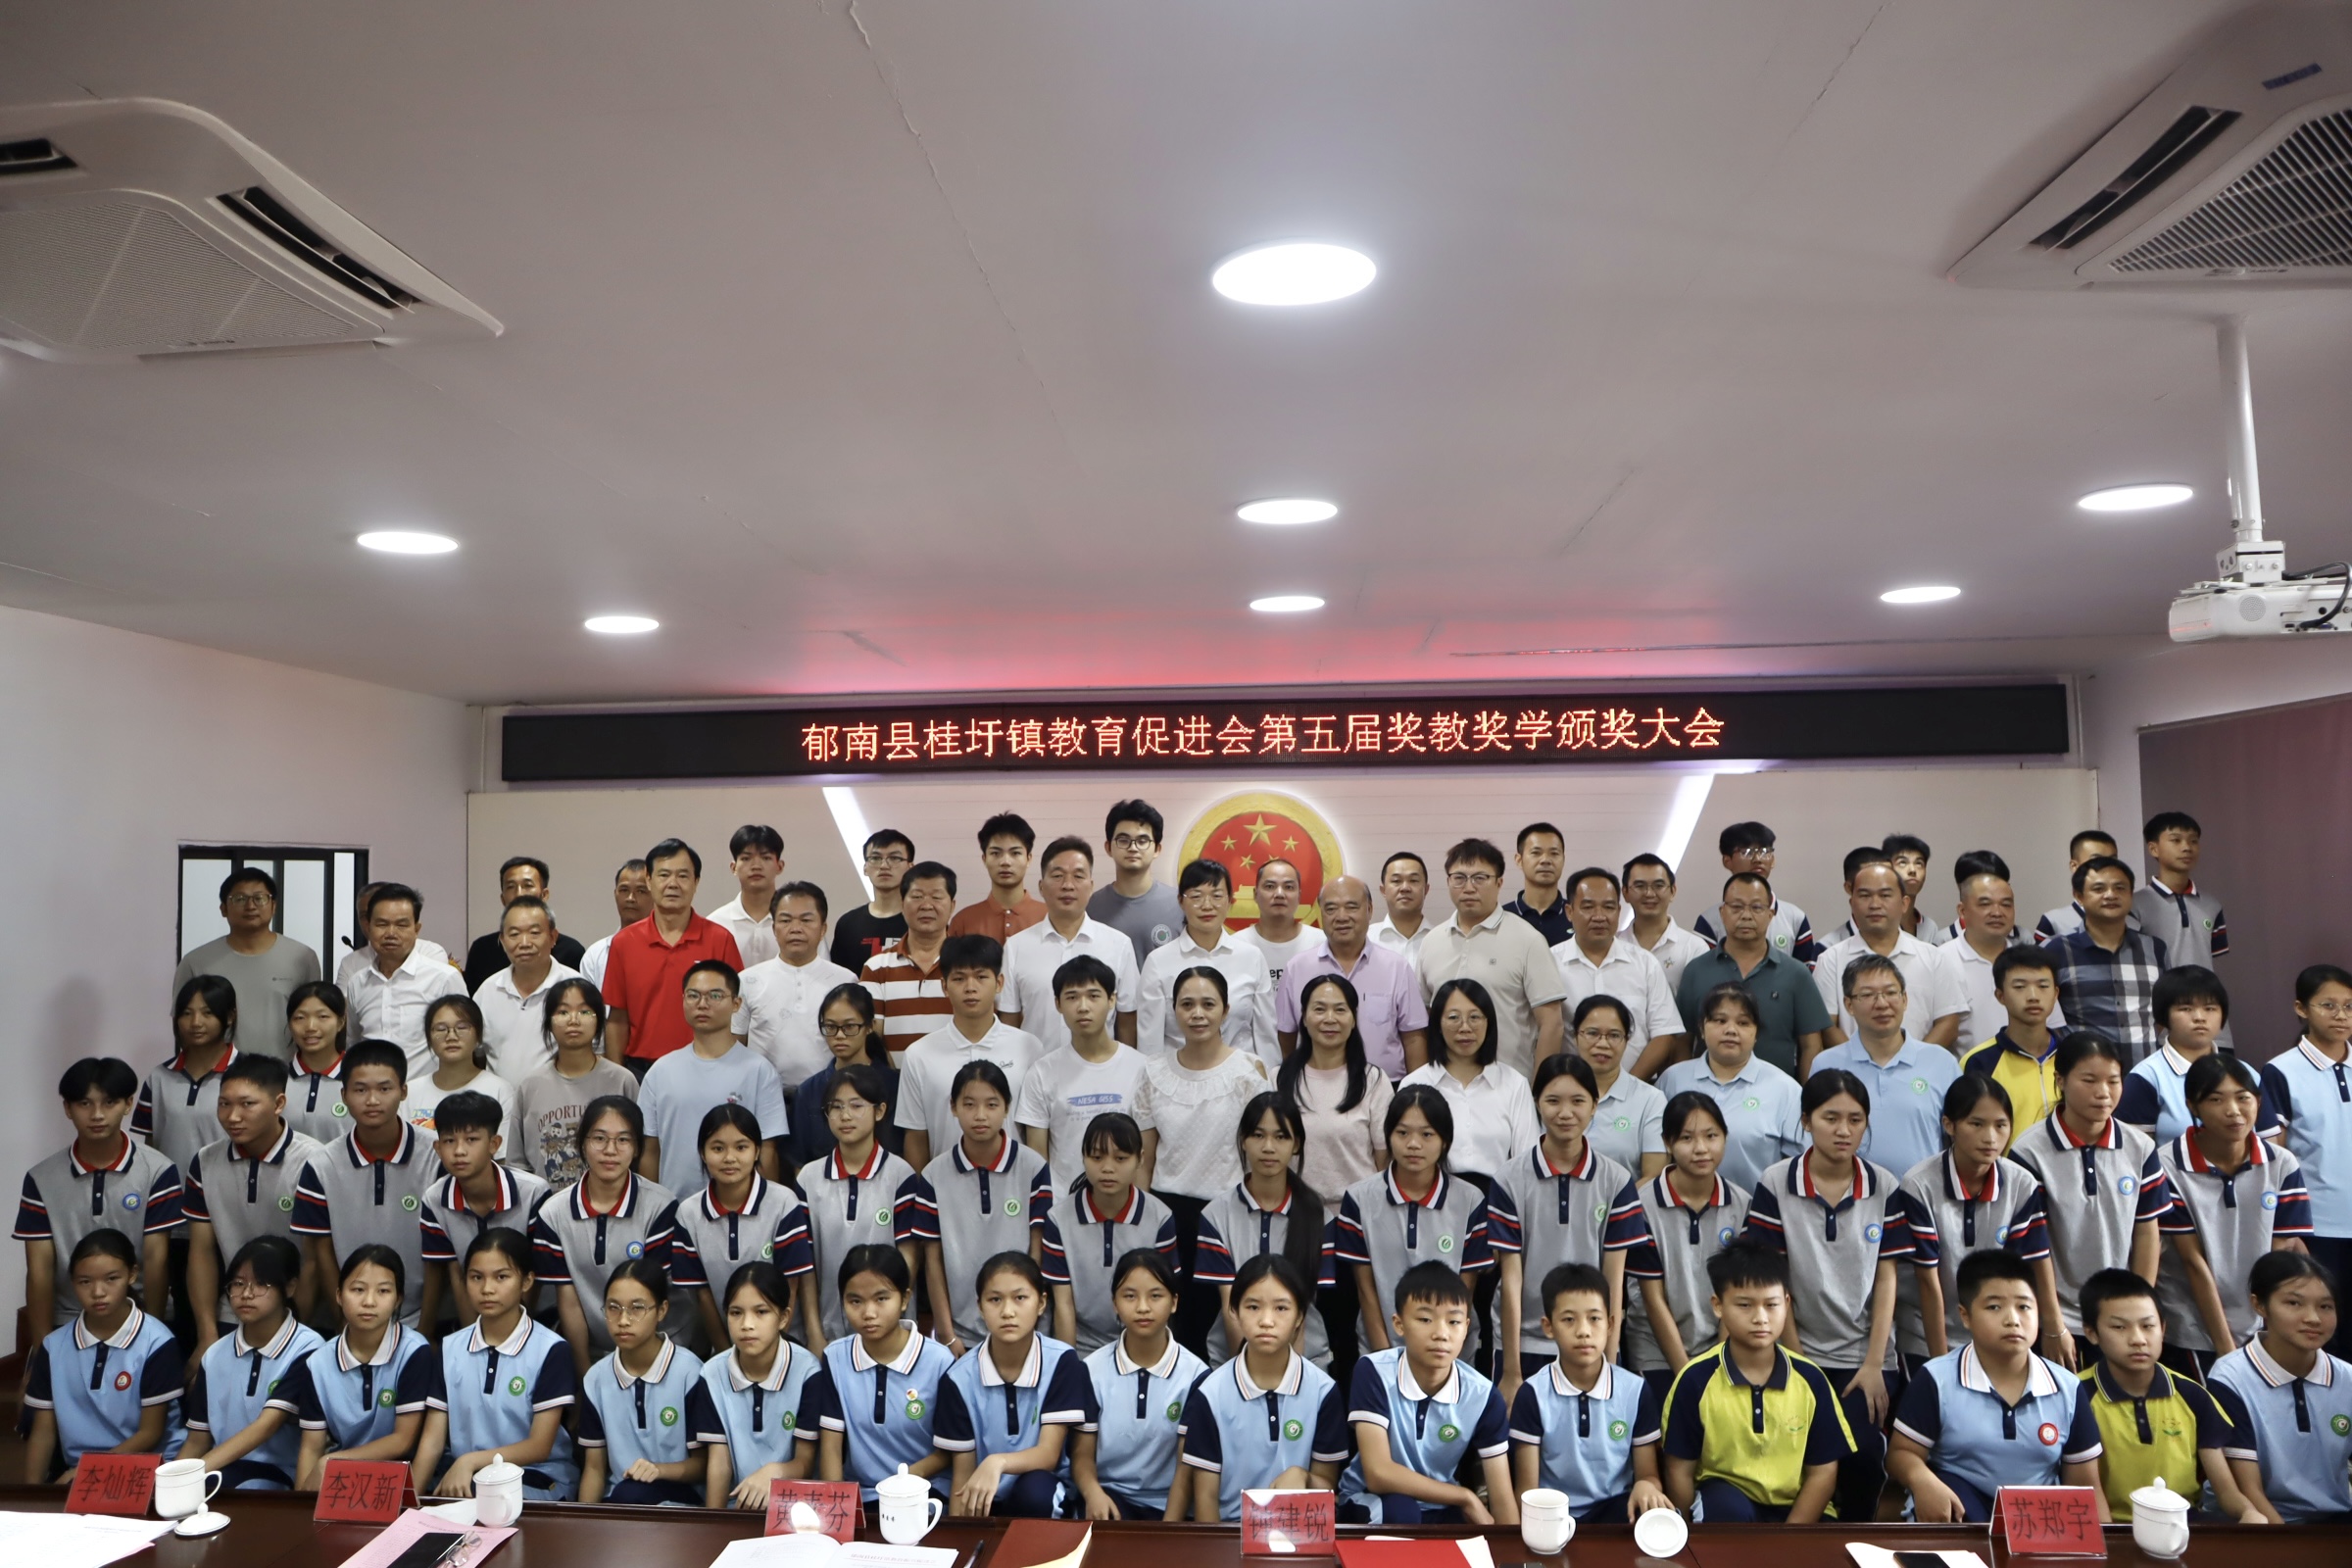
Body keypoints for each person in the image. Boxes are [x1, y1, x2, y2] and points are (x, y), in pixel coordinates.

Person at [1744, 1070, 1911, 1523]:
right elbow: (1773, 1282)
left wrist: (1875, 1363)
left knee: (1861, 1455)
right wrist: (1797, 1362)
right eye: (1830, 1118)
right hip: (1796, 1351)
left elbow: (1887, 1279)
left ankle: (1852, 1538)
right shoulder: (1776, 1182)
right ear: (1805, 1121)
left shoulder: (1885, 1185)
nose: (1843, 1130)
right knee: (1794, 1454)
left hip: (1864, 1359)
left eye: (1855, 1119)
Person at [1886, 1250, 2104, 1521]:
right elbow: (1900, 1454)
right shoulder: (1936, 1378)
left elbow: (2085, 1487)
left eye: (2024, 1307)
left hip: (2037, 1520)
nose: (2012, 1319)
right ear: (1965, 1316)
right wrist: (1922, 1481)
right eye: (1994, 1307)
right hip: (1958, 1512)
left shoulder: (2068, 1388)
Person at [2007, 1032, 2172, 1366]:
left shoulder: (2139, 1147)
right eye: (2089, 1080)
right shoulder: (2029, 1152)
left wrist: (2138, 1309)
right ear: (2060, 1081)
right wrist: (2053, 1324)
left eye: (2113, 1081)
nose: (2103, 1092)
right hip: (2059, 1317)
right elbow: (2034, 1248)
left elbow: (2146, 1232)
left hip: (2120, 1315)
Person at [1658, 1243, 1853, 1522]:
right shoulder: (1695, 1380)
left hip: (1798, 1513)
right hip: (1726, 1509)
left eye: (1771, 1305)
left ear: (1786, 1304)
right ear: (1718, 1306)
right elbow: (1679, 1470)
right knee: (1723, 1507)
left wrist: (1789, 1539)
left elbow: (1823, 1473)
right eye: (1745, 1305)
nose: (1760, 1318)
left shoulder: (1811, 1380)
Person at [1136, 967, 1274, 1350]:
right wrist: (1145, 1221)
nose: (1197, 1014)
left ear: (1225, 1010)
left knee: (1236, 1323)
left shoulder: (1248, 1070)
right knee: (1177, 1327)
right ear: (1174, 1010)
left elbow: (1262, 1153)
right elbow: (1145, 1160)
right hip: (1167, 1213)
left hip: (1230, 1213)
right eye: (1187, 1004)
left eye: (1208, 1004)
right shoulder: (1153, 1071)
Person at [1494, 1054, 1647, 1385]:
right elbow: (1511, 1278)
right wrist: (1511, 1371)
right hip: (1526, 1342)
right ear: (1537, 1103)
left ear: (1595, 1105)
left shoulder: (1616, 1181)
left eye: (1578, 1101)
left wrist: (1609, 1362)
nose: (1565, 1113)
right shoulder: (1509, 1179)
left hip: (1592, 1343)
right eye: (1553, 1101)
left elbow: (1614, 1279)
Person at [2156, 1054, 2312, 1374]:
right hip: (2191, 1326)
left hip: (2261, 1324)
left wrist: (2271, 1332)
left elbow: (2279, 1255)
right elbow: (2192, 1262)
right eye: (2216, 1099)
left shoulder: (2281, 1164)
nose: (2233, 1110)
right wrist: (2226, 1349)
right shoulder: (2166, 1166)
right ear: (2193, 1106)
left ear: (2258, 1102)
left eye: (2243, 1098)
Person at [2076, 1267, 2264, 1524]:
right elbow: (2087, 1488)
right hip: (2113, 1529)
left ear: (2163, 1328)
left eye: (2148, 1326)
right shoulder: (2077, 1396)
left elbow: (2226, 1491)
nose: (2138, 1339)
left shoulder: (2192, 1395)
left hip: (2183, 1526)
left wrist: (2248, 1512)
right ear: (2091, 1333)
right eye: (2119, 1327)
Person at [1894, 1075, 2056, 1367]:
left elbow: (2027, 1268)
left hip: (1995, 1334)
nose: (1990, 1137)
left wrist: (2052, 1329)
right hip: (1925, 1337)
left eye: (2000, 1125)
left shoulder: (2021, 1184)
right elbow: (1927, 1281)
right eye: (1977, 1124)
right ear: (1949, 1125)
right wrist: (1941, 1367)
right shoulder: (1919, 1185)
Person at [1337, 1262, 1513, 1525]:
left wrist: (1510, 1548)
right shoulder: (1374, 1372)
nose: (1441, 1334)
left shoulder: (1484, 1395)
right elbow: (1377, 1473)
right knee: (1402, 1511)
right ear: (1399, 1324)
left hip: (1441, 1506)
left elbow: (1502, 1498)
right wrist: (1466, 1496)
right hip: (1372, 1499)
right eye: (1425, 1319)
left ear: (1466, 1327)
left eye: (1453, 1322)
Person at [1175, 1253, 1348, 1519]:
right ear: (1234, 1311)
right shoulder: (1210, 1394)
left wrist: (1303, 1476)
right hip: (1230, 1533)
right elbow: (1206, 1499)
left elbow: (1326, 1489)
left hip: (1298, 1530)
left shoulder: (1323, 1392)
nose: (1266, 1321)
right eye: (1253, 1307)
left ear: (1300, 1316)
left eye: (1281, 1308)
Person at [898, 1060, 1054, 1355]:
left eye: (992, 1104)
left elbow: (1037, 1252)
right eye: (969, 1104)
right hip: (961, 1336)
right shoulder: (933, 1175)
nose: (980, 1115)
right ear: (953, 1107)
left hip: (1024, 1329)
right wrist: (947, 1334)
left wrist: (1030, 1322)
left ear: (1007, 1107)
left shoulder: (1033, 1167)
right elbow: (933, 1261)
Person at [18, 1057, 179, 1335]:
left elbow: (156, 1261)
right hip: (68, 1319)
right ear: (67, 1108)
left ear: (128, 1104)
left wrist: (150, 1335)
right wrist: (42, 1346)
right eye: (84, 1103)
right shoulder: (41, 1179)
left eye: (109, 1102)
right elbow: (39, 1269)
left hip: (137, 1314)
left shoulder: (158, 1171)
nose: (97, 1115)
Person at [415, 1227, 579, 1500]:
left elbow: (539, 1446)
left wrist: (469, 1461)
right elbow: (432, 1441)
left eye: (501, 1277)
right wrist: (408, 1503)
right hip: (465, 1475)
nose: (487, 1289)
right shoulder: (450, 1347)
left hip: (536, 1474)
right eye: (476, 1277)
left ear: (527, 1281)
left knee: (482, 1497)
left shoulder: (550, 1349)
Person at [1337, 1087, 1498, 1356]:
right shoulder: (1358, 1199)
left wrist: (1445, 1356)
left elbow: (1465, 1291)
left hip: (1450, 1352)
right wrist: (1385, 1359)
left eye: (1427, 1134)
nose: (1413, 1144)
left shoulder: (1470, 1200)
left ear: (1445, 1140)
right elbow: (1366, 1291)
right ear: (1388, 1136)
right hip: (1381, 1349)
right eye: (1402, 1133)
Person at [1509, 1261, 1674, 1523]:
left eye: (1594, 1318)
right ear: (1548, 1326)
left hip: (1617, 1511)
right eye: (1569, 1320)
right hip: (1553, 1515)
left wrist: (1646, 1485)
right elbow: (1527, 1491)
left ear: (1610, 1324)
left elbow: (1648, 1475)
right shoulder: (1533, 1394)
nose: (1583, 1331)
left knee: (1656, 1516)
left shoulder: (1635, 1390)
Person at [934, 1250, 1093, 1517]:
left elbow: (1048, 1454)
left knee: (1035, 1492)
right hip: (985, 1496)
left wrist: (998, 1462)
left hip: (1043, 1492)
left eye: (1020, 1298)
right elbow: (963, 1473)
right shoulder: (958, 1378)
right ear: (980, 1307)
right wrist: (962, 1532)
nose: (1007, 1312)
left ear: (1041, 1303)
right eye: (995, 1299)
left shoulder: (1061, 1362)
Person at [183, 1055, 327, 1349]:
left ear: (278, 1103)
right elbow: (201, 1252)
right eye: (224, 1104)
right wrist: (206, 1334)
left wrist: (292, 1335)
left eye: (247, 1104)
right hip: (232, 1313)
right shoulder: (205, 1161)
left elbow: (313, 1262)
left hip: (299, 1317)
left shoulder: (314, 1161)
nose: (233, 1117)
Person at [290, 1041, 436, 1328]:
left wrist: (427, 1328)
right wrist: (343, 1321)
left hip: (426, 1317)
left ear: (403, 1091)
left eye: (384, 1089)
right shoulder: (321, 1165)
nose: (372, 1100)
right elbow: (322, 1252)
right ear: (343, 1095)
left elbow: (443, 1254)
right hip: (352, 1318)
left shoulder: (437, 1155)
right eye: (360, 1090)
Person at [21, 1230, 186, 1481]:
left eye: (111, 1279)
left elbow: (150, 1433)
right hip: (80, 1472)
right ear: (72, 1282)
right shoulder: (53, 1346)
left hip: (148, 1468)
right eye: (85, 1282)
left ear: (132, 1274)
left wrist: (85, 1473)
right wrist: (32, 1496)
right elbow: (43, 1432)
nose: (98, 1292)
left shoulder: (157, 1341)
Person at [531, 1096, 682, 1370]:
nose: (610, 1150)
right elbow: (569, 1302)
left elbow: (651, 1296)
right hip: (588, 1350)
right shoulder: (553, 1213)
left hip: (659, 1350)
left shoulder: (661, 1206)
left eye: (623, 1140)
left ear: (637, 1148)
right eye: (599, 1138)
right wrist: (584, 1373)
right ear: (582, 1144)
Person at [794, 1247, 951, 1502]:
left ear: (905, 1299)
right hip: (862, 1495)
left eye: (881, 1299)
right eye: (855, 1301)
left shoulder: (939, 1361)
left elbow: (949, 1450)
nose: (868, 1313)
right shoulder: (835, 1357)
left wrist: (902, 1483)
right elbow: (831, 1447)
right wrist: (837, 1504)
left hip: (924, 1491)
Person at [1625, 1094, 1751, 1398]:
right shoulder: (1642, 1205)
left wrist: (1720, 1364)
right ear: (1667, 1143)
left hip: (1723, 1348)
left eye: (1711, 1136)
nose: (1701, 1148)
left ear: (1725, 1137)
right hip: (1654, 1349)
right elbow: (1652, 1298)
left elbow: (1737, 1292)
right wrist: (1687, 1376)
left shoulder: (1742, 1204)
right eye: (1686, 1138)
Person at [2209, 1251, 2352, 1522]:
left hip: (2333, 1524)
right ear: (2259, 1305)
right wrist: (2289, 1544)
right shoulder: (2230, 1378)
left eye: (2325, 1306)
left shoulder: (2347, 1380)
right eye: (2294, 1303)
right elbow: (2248, 1490)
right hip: (2255, 1523)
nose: (2313, 1318)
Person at [2258, 963, 2352, 1356]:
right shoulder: (2281, 1071)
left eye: (2349, 1006)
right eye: (2328, 1005)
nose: (2341, 1015)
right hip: (2318, 1227)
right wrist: (2285, 1225)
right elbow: (2274, 1157)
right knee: (2327, 1333)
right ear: (2301, 1009)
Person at [667, 1104, 816, 1352]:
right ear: (702, 1153)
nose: (729, 1158)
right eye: (718, 1148)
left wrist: (771, 1348)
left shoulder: (783, 1203)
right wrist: (725, 1353)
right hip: (726, 1348)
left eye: (741, 1147)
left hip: (784, 1344)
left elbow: (790, 1284)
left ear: (757, 1150)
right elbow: (702, 1295)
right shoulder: (688, 1214)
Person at [278, 1246, 430, 1487]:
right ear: (339, 1295)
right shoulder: (317, 1363)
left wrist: (333, 1462)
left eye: (383, 1291)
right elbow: (311, 1447)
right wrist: (301, 1502)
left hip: (398, 1476)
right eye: (358, 1290)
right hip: (342, 1479)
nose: (369, 1302)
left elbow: (403, 1440)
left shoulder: (414, 1352)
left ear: (398, 1299)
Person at [1072, 1248, 1206, 1520]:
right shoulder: (1091, 1370)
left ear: (1174, 1302)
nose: (1143, 1307)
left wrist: (1168, 1529)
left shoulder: (1196, 1376)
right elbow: (1082, 1455)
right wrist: (1093, 1493)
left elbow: (1186, 1469)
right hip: (1111, 1497)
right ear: (1115, 1303)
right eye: (1130, 1296)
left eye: (1155, 1296)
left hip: (1170, 1503)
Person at [180, 1234, 324, 1489]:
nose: (246, 1294)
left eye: (261, 1284)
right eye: (237, 1284)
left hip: (280, 1472)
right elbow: (197, 1441)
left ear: (290, 1287)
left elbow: (266, 1426)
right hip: (219, 1469)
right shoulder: (214, 1354)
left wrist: (191, 1474)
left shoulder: (308, 1348)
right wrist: (171, 1479)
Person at [1205, 1095, 1339, 1367]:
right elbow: (1231, 1309)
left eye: (1281, 1137)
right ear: (1243, 1140)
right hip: (1233, 1363)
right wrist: (1244, 1374)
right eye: (1258, 1135)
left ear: (1296, 1144)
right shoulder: (1215, 1215)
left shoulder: (1320, 1218)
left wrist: (1292, 1379)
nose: (1268, 1147)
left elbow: (1301, 1311)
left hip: (1306, 1362)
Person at [1417, 838, 1568, 1077]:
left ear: (1499, 882)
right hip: (1444, 1085)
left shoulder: (1528, 939)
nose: (1469, 887)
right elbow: (1422, 1020)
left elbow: (1551, 1023)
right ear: (1448, 882)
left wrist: (1539, 1089)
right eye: (1459, 878)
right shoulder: (1431, 941)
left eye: (1480, 878)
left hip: (1510, 1084)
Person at [637, 960, 788, 1194]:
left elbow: (768, 1150)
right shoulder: (661, 1071)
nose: (702, 1004)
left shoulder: (759, 1071)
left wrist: (764, 1206)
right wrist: (652, 1205)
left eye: (715, 996)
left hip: (740, 1206)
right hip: (674, 1205)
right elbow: (651, 1149)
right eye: (693, 995)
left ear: (736, 1004)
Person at [1662, 873, 1830, 1081]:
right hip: (1706, 1093)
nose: (1746, 916)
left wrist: (1806, 1096)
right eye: (1737, 907)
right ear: (1722, 912)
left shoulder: (1796, 973)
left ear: (1771, 914)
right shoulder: (1696, 970)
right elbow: (1682, 1041)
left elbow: (1811, 1045)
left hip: (1776, 1094)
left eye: (1757, 907)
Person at [896, 935, 1043, 1172]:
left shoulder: (1029, 1047)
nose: (970, 987)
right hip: (944, 1185)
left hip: (1016, 1183)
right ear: (944, 986)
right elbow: (915, 1135)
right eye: (959, 978)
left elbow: (1036, 1130)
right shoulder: (919, 1054)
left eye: (981, 977)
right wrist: (922, 1189)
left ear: (999, 983)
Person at [1808, 955, 1960, 1180]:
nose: (1881, 1004)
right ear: (1849, 1005)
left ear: (1905, 999)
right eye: (1867, 995)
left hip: (1922, 1194)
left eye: (1890, 993)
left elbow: (1959, 1137)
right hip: (1851, 1194)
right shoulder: (1826, 1064)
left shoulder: (1942, 1062)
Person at [796, 1064, 917, 1345]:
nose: (845, 1116)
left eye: (856, 1105)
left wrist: (888, 1313)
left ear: (880, 1111)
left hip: (892, 1329)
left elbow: (909, 1257)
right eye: (836, 1107)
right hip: (829, 1330)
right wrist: (814, 1332)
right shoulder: (809, 1179)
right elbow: (805, 1268)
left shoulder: (901, 1176)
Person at [1042, 1113, 1182, 1354]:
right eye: (1097, 1157)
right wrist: (1070, 1366)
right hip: (1080, 1347)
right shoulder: (1058, 1219)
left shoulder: (1160, 1217)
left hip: (1140, 1344)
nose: (1107, 1168)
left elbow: (1162, 1298)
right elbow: (1064, 1304)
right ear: (1083, 1157)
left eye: (1120, 1158)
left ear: (1140, 1159)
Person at [605, 840, 746, 1074]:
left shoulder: (720, 939)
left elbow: (737, 1014)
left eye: (683, 876)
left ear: (696, 882)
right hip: (641, 1070)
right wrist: (617, 1076)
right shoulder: (624, 943)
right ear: (649, 880)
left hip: (709, 1066)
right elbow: (617, 1019)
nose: (673, 884)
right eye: (664, 875)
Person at [577, 1258, 709, 1504]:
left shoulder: (690, 1373)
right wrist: (583, 1520)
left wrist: (658, 1470)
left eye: (637, 1308)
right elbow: (594, 1469)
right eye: (613, 1308)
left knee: (632, 1493)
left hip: (681, 1498)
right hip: (621, 1499)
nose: (623, 1320)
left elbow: (703, 1465)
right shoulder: (596, 1378)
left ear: (662, 1310)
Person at [1811, 851, 1967, 1055]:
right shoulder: (1830, 960)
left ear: (1904, 903)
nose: (1875, 904)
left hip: (1919, 1069)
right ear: (1852, 903)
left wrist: (1911, 1061)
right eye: (1865, 896)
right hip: (1852, 1070)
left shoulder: (1933, 957)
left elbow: (1948, 1023)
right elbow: (1827, 1026)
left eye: (1885, 895)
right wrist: (1863, 1062)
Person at [417, 1091, 549, 1330]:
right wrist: (474, 1337)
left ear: (494, 1144)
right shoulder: (434, 1200)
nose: (459, 1151)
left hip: (537, 1319)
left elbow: (535, 1273)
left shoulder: (533, 1193)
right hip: (474, 1318)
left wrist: (517, 1333)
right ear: (437, 1147)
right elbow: (456, 1275)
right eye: (449, 1141)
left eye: (471, 1139)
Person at [692, 1261, 820, 1507]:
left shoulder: (808, 1371)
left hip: (793, 1508)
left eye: (761, 1312)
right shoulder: (711, 1373)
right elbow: (720, 1464)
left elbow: (805, 1463)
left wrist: (774, 1471)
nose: (747, 1325)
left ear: (783, 1318)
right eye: (736, 1313)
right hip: (737, 1506)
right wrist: (714, 1521)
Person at [1654, 983, 1803, 1193]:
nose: (1731, 1030)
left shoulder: (1785, 1089)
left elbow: (1799, 1164)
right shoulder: (1673, 1080)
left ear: (1756, 1033)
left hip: (1757, 1208)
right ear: (1702, 1028)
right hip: (1681, 1206)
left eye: (1743, 1023)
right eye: (1720, 1020)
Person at [1017, 956, 1147, 1194]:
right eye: (1072, 997)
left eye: (1093, 996)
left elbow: (1145, 1155)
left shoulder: (1141, 1068)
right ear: (1058, 1004)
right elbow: (1037, 1158)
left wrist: (1140, 1207)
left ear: (1112, 1000)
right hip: (1062, 1205)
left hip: (1126, 1204)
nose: (1083, 1007)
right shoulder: (1041, 1073)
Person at [1000, 837, 1141, 1052]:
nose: (1067, 885)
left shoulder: (1118, 944)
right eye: (1057, 876)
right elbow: (1009, 1022)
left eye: (1078, 876)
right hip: (1036, 1068)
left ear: (1091, 886)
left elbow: (1128, 1020)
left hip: (1099, 1069)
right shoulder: (1016, 947)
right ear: (1041, 887)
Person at [1279, 875, 1428, 1078]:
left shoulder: (1396, 967)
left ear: (1370, 910)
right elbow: (1287, 1035)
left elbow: (1414, 1038)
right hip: (1316, 1085)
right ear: (1321, 913)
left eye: (1351, 907)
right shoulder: (1297, 968)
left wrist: (1415, 1090)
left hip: (1387, 1086)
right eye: (1331, 909)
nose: (1341, 917)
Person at [1137, 858, 1278, 1065]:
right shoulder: (1158, 962)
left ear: (1230, 900)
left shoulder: (1251, 957)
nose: (1207, 905)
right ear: (1180, 901)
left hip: (1241, 1075)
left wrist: (1269, 1079)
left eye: (1217, 896)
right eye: (1196, 896)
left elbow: (1266, 1035)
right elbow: (1150, 1042)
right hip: (1180, 1075)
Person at [174, 867, 320, 1058]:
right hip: (218, 1072)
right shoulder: (196, 961)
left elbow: (316, 1019)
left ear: (274, 906)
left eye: (260, 898)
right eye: (239, 899)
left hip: (284, 1069)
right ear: (223, 909)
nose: (251, 906)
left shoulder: (303, 957)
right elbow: (182, 1026)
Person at [511, 977, 640, 1186]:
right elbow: (517, 1164)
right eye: (563, 1012)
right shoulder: (530, 1085)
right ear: (549, 1023)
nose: (573, 1020)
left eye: (585, 1011)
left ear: (599, 1021)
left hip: (610, 1198)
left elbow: (639, 1153)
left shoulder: (622, 1080)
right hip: (546, 1202)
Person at [1402, 978, 1535, 1182]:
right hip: (1433, 1195)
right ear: (1438, 1024)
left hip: (1499, 1196)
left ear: (1488, 1023)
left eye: (1475, 1017)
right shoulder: (1414, 1085)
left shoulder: (1515, 1084)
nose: (1465, 1027)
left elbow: (1526, 1162)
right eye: (1454, 1017)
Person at [1281, 974, 1397, 1201]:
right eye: (1319, 1009)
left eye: (1340, 1010)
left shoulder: (1373, 1080)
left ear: (1354, 1019)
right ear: (1303, 1017)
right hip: (1296, 1211)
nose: (1330, 1018)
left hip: (1358, 1209)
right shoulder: (1279, 1078)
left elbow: (1384, 1159)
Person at [1551, 868, 1684, 1067]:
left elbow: (1664, 1034)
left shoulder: (1645, 963)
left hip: (1637, 1082)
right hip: (1570, 1083)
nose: (1599, 916)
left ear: (1619, 911)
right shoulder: (1550, 962)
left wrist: (1630, 1083)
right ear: (1569, 912)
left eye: (1608, 907)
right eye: (1588, 907)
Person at [738, 882, 858, 1095]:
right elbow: (736, 1045)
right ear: (774, 929)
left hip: (829, 1095)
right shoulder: (747, 980)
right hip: (764, 1095)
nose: (795, 928)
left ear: (823, 929)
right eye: (785, 920)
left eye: (806, 920)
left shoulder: (845, 980)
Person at [2049, 857, 2171, 1065]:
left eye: (2120, 888)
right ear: (2079, 896)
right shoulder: (2057, 950)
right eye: (2099, 889)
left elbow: (2164, 1011)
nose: (2111, 895)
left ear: (2131, 894)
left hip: (2144, 1071)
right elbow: (2046, 1017)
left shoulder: (2155, 949)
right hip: (2085, 1073)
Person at [2120, 965, 2260, 1144]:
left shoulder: (2247, 1073)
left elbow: (2269, 1144)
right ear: (2164, 1015)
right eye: (2186, 1009)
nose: (2199, 1017)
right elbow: (2136, 1152)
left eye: (2210, 1008)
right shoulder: (2145, 1078)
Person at [346, 884, 467, 1078]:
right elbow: (353, 1042)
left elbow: (465, 1042)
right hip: (372, 1092)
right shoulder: (357, 983)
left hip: (427, 1092)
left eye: (401, 925)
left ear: (416, 929)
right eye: (382, 924)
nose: (390, 933)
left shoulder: (444, 978)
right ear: (368, 927)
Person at [1934, 870, 2059, 1050]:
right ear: (1962, 910)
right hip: (1967, 1067)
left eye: (2006, 904)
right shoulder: (1939, 961)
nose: (1997, 912)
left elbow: (2053, 1026)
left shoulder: (2030, 962)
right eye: (1985, 904)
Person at [134, 975, 242, 1175]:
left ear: (229, 1017)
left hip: (229, 1188)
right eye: (186, 1013)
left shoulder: (248, 1075)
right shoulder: (159, 1077)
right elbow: (150, 1145)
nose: (195, 1022)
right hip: (171, 1189)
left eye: (207, 1013)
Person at [1960, 947, 2068, 1147]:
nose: (2033, 996)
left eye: (2043, 986)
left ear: (2055, 994)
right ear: (2000, 995)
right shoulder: (1979, 1062)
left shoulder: (2073, 1057)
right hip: (2006, 1166)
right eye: (2019, 987)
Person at [791, 985, 904, 1168]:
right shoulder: (808, 1091)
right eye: (830, 1027)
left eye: (849, 1026)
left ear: (870, 1026)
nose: (839, 1035)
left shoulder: (895, 1086)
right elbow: (799, 1162)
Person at [472, 895, 581, 1078]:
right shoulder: (488, 990)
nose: (524, 943)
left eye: (534, 933)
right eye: (514, 934)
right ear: (502, 940)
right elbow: (474, 1052)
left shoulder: (576, 988)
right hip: (500, 1095)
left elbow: (596, 1051)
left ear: (553, 937)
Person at [861, 860, 958, 1062]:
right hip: (894, 1079)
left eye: (936, 897)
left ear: (952, 906)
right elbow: (872, 1038)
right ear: (902, 904)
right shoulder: (876, 967)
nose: (926, 905)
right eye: (917, 897)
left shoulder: (968, 965)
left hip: (959, 1078)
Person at [402, 995, 519, 1146]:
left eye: (462, 1028)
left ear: (479, 1036)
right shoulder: (410, 1092)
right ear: (429, 1038)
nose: (451, 1036)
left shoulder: (499, 1090)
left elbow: (501, 1154)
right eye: (441, 1029)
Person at [1572, 997, 1667, 1180]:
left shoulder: (1650, 1099)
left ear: (1626, 1040)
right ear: (1576, 1036)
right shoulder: (1555, 1094)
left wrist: (1623, 1200)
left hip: (1629, 1198)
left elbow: (1653, 1176)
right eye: (1592, 1033)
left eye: (1614, 1035)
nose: (1603, 1044)